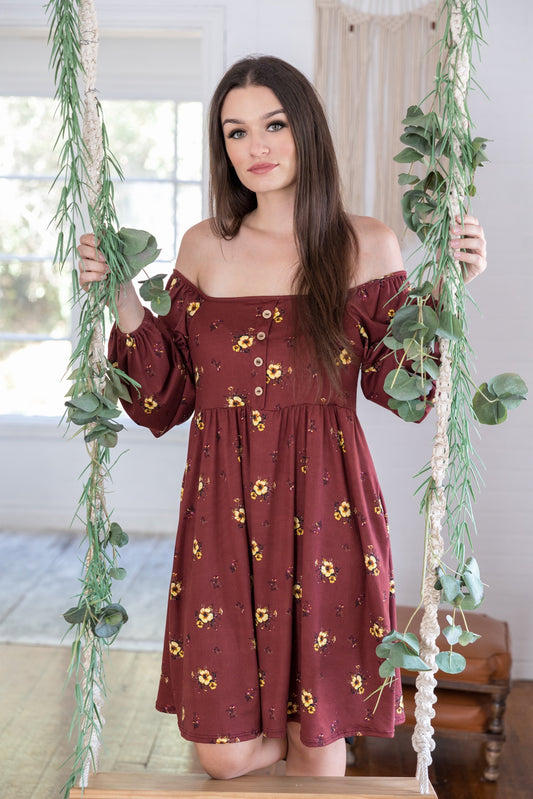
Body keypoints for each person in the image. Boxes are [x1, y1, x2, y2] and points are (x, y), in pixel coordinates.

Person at [77, 55, 487, 780]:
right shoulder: (204, 246)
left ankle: (316, 747)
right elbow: (161, 399)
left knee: (316, 741)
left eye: (272, 124)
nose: (254, 146)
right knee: (225, 755)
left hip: (327, 502)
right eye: (235, 132)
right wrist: (121, 299)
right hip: (220, 509)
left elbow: (402, 391)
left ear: (306, 132)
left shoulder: (366, 243)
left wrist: (449, 291)